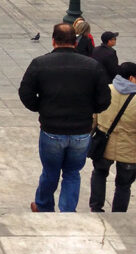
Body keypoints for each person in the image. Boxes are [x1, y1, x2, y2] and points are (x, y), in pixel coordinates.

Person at [18, 22, 110, 212]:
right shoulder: (92, 66)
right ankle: (67, 211)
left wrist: (40, 108)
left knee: (50, 171)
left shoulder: (40, 63)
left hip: (52, 129)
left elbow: (25, 93)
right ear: (75, 42)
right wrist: (89, 110)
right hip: (81, 131)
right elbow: (104, 100)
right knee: (72, 172)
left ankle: (44, 206)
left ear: (53, 41)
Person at [89, 62, 136, 212]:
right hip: (129, 150)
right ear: (131, 78)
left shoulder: (105, 91)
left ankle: (96, 207)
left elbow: (93, 119)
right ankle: (118, 213)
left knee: (99, 174)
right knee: (123, 184)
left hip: (103, 145)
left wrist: (87, 137)